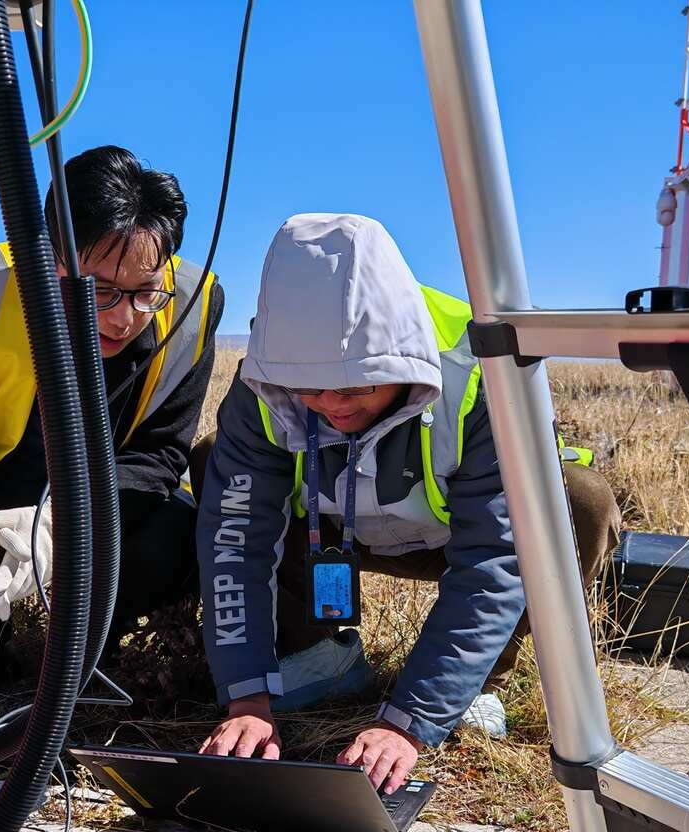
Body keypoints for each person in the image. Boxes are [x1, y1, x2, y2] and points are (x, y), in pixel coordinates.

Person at [193, 213, 619, 794]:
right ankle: (317, 657)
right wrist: (244, 694)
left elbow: (497, 558)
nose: (331, 407)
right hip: (333, 531)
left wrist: (410, 722)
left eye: (355, 388)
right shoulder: (264, 380)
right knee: (217, 457)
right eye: (310, 390)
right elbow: (234, 541)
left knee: (574, 501)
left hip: (453, 537)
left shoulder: (483, 365)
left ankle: (477, 684)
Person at [0, 145, 224, 714]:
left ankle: (89, 647)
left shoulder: (195, 305)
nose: (122, 315)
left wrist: (58, 525)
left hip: (104, 502)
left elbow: (160, 452)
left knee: (178, 537)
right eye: (99, 289)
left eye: (144, 291)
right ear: (46, 252)